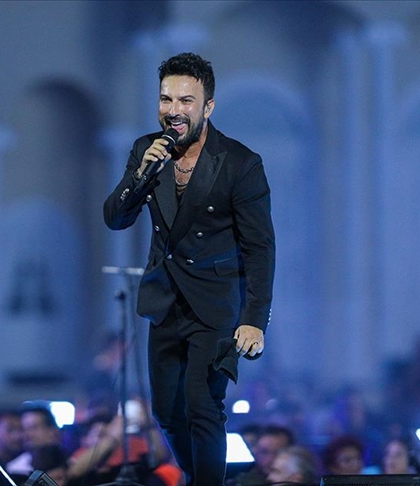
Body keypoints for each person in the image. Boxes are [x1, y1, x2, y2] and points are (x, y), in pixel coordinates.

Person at [103, 52, 275, 486]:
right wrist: (142, 175)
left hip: (216, 305)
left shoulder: (239, 163)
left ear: (207, 107)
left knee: (203, 405)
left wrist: (254, 320)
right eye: (166, 99)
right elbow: (115, 218)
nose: (174, 110)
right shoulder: (147, 150)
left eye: (185, 101)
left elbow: (260, 248)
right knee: (166, 412)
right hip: (165, 300)